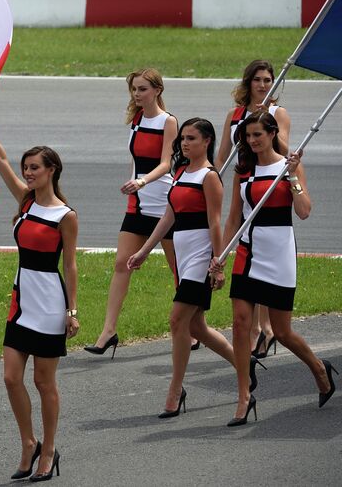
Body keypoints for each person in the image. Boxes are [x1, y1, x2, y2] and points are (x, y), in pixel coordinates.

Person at [0, 94, 78, 482]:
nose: (27, 173)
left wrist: (72, 312)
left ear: (52, 170)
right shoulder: (27, 201)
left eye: (34, 168)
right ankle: (28, 443)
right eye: (26, 168)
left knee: (43, 382)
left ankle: (49, 450)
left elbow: (70, 265)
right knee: (11, 378)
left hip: (50, 303)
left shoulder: (65, 216)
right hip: (21, 302)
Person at [213, 112, 337, 426]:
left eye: (258, 135)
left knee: (282, 331)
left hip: (279, 254)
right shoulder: (243, 171)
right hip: (247, 253)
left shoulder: (288, 166)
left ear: (271, 134)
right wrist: (221, 257)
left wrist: (293, 177)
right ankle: (243, 395)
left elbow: (305, 211)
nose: (252, 141)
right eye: (248, 136)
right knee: (240, 324)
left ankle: (319, 369)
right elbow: (232, 219)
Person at [128, 119, 244, 418]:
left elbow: (215, 222)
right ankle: (243, 365)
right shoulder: (179, 172)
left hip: (202, 255)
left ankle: (175, 389)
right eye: (182, 139)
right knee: (196, 326)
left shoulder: (209, 177)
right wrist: (143, 251)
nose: (184, 143)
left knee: (178, 320)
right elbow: (168, 217)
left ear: (207, 141)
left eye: (191, 138)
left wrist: (218, 264)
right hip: (182, 251)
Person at [85, 69, 179, 358]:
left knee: (179, 271)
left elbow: (166, 164)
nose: (137, 95)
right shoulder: (136, 120)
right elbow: (135, 160)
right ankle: (108, 331)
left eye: (142, 89)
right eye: (134, 90)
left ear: (157, 90)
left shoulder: (169, 121)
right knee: (121, 264)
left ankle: (189, 328)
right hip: (137, 203)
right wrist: (134, 184)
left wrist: (142, 181)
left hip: (164, 201)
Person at [214, 60, 291, 359]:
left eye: (268, 80)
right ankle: (261, 331)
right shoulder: (233, 116)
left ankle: (266, 328)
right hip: (241, 185)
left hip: (268, 188)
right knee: (249, 256)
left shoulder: (277, 114)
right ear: (247, 82)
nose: (262, 85)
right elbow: (222, 155)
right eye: (257, 80)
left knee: (260, 256)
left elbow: (285, 150)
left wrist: (267, 124)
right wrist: (210, 181)